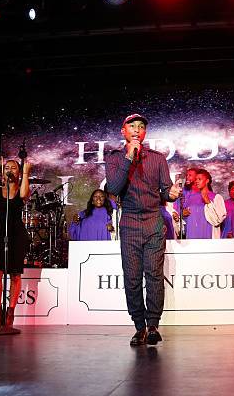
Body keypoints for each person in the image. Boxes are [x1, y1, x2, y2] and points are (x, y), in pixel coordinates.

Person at [105, 113, 181, 346]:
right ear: (123, 131)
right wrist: (129, 157)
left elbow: (165, 191)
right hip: (129, 223)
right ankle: (139, 326)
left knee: (155, 276)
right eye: (132, 126)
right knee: (132, 278)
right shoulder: (115, 158)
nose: (137, 130)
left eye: (141, 127)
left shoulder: (157, 159)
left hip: (154, 221)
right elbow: (115, 189)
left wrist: (172, 193)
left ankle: (153, 325)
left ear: (145, 132)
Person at [0, 158, 31, 331]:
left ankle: (10, 314)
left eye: (14, 167)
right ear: (2, 172)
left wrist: (26, 172)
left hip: (16, 234)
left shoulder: (20, 189)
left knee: (15, 275)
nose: (10, 169)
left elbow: (25, 194)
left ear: (18, 172)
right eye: (7, 167)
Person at [174, 169, 225, 239]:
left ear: (207, 181)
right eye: (196, 179)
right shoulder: (189, 197)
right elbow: (183, 223)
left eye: (199, 179)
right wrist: (181, 215)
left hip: (209, 240)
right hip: (191, 239)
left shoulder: (216, 197)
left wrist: (208, 201)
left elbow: (218, 220)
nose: (196, 181)